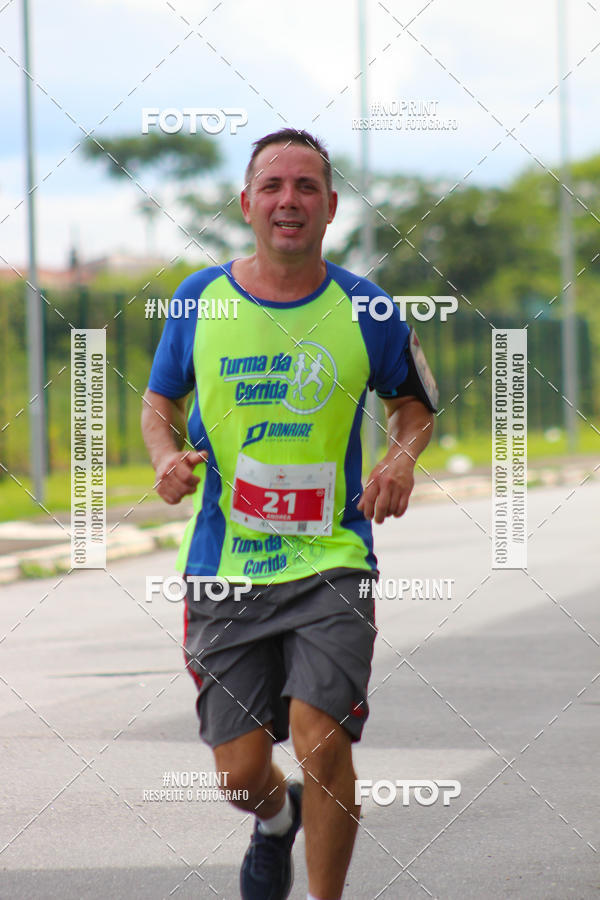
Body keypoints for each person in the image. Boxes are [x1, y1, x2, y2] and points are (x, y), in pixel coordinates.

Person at [141, 128, 436, 900]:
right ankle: (274, 820)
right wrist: (164, 459)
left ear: (331, 207)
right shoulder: (201, 299)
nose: (289, 201)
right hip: (224, 566)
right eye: (273, 186)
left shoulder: (367, 306)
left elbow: (417, 406)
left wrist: (400, 460)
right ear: (246, 203)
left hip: (330, 558)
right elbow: (156, 402)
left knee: (321, 738)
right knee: (241, 773)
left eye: (307, 187)